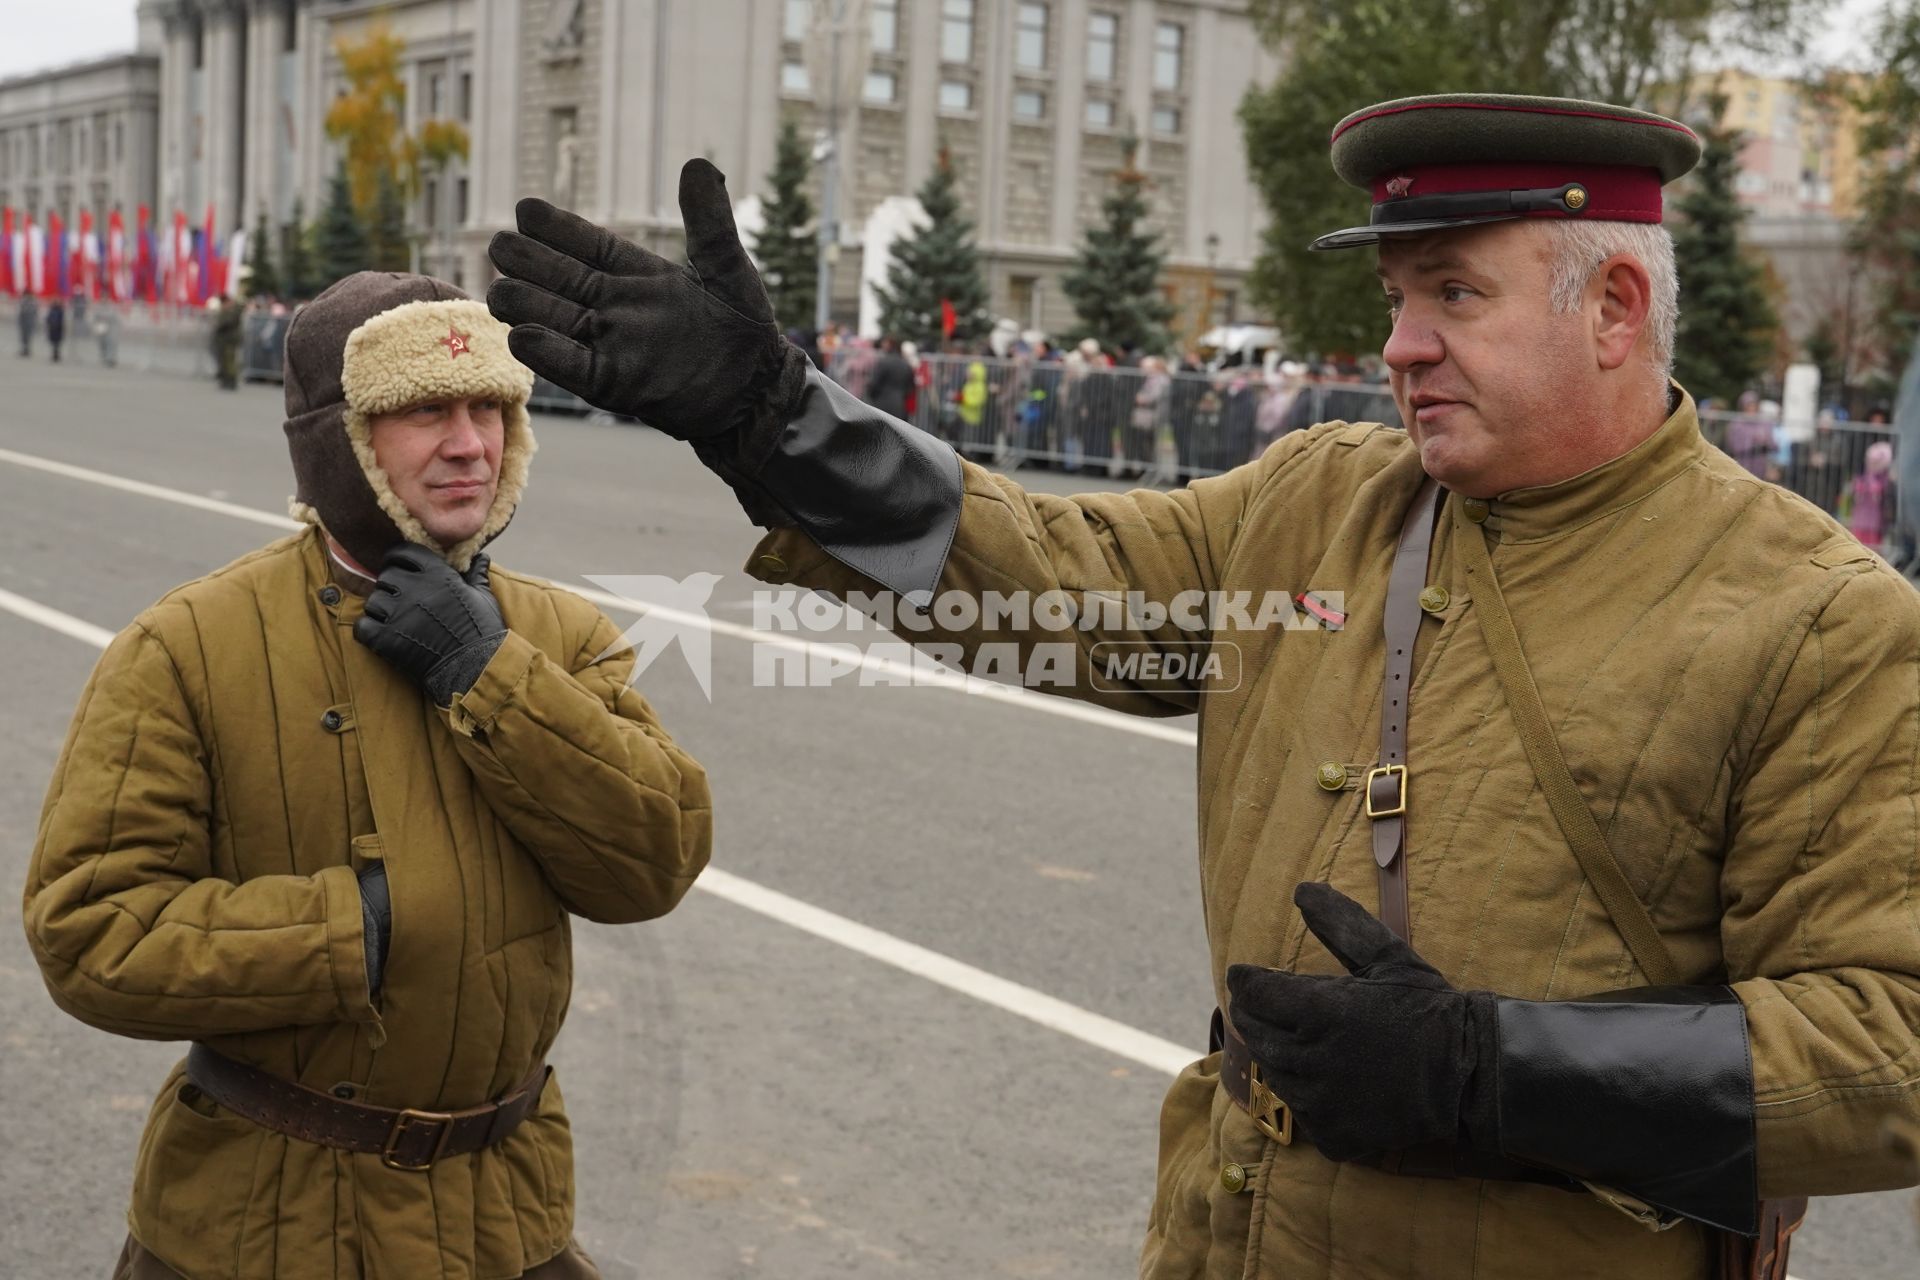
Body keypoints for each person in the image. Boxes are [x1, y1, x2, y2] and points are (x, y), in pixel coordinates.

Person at [484, 94, 1920, 1280]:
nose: (1401, 345)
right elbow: (1064, 575)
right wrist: (779, 420)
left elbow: (1893, 1044)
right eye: (1399, 298)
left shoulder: (1819, 620)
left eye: (1454, 294)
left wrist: (1498, 1072)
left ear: (1612, 307)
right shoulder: (1320, 498)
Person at [23, 271, 713, 1280]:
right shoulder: (187, 644)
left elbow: (653, 861)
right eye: (425, 409)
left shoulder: (562, 636)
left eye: (489, 407)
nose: (471, 442)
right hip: (263, 1229)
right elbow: (90, 929)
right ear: (339, 436)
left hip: (503, 1226)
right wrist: (352, 929)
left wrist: (491, 674)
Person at [865, 335, 915, 421]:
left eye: (885, 343)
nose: (882, 345)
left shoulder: (883, 362)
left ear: (890, 345)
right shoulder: (906, 365)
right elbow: (910, 388)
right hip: (900, 407)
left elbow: (874, 384)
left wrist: (872, 396)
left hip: (882, 405)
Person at [211, 291, 244, 389]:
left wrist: (218, 326)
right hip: (223, 339)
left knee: (230, 361)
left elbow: (227, 322)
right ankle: (224, 379)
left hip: (230, 339)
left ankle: (231, 381)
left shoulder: (233, 310)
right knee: (223, 360)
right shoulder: (227, 309)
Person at [45, 297, 65, 362]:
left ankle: (56, 354)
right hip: (52, 328)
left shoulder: (60, 310)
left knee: (57, 343)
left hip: (58, 328)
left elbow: (61, 320)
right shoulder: (52, 310)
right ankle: (55, 354)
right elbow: (48, 318)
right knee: (53, 342)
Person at [17, 292, 38, 357]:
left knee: (28, 337)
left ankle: (27, 349)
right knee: (23, 337)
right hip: (24, 322)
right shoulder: (23, 302)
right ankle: (24, 349)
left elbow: (34, 313)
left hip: (29, 323)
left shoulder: (33, 303)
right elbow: (20, 313)